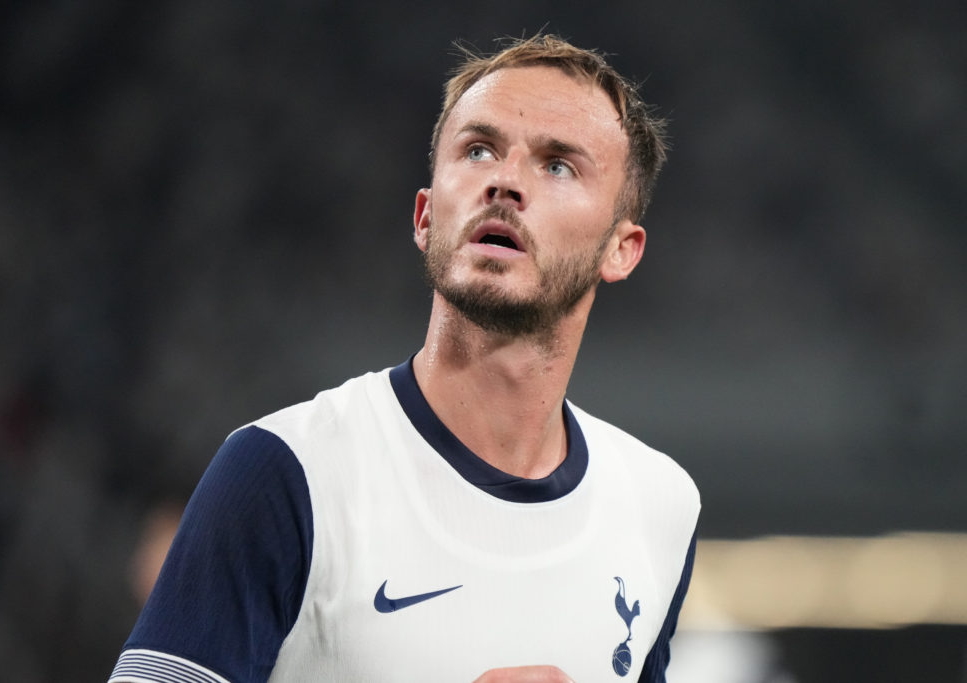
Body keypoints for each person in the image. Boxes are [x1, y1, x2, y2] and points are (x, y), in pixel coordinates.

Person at [108, 34, 699, 683]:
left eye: (558, 164)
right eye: (478, 150)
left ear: (623, 249)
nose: (504, 181)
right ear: (425, 215)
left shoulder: (658, 504)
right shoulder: (285, 474)